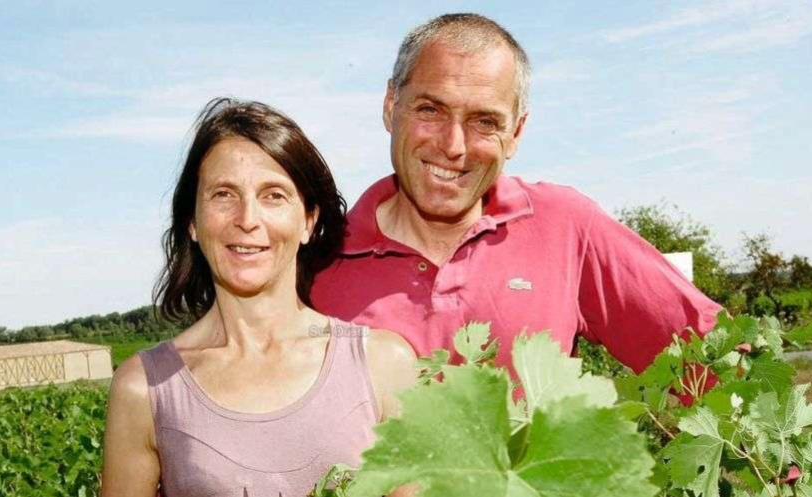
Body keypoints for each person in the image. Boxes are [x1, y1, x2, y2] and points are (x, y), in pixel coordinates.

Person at [311, 13, 722, 374]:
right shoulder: (316, 259)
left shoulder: (566, 227)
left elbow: (715, 361)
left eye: (484, 121)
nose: (454, 145)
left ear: (516, 133)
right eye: (430, 110)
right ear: (390, 105)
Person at [100, 98, 417, 497]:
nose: (247, 219)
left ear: (308, 221)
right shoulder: (143, 389)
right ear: (193, 223)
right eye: (223, 195)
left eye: (273, 196)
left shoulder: (384, 364)